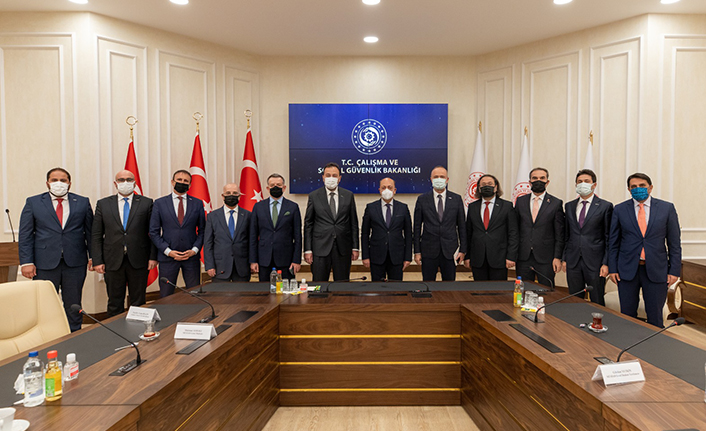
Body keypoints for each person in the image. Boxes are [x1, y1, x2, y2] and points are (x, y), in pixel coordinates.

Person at [18, 167, 93, 332]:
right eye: (54, 180)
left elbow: (90, 233)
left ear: (69, 183)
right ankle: (48, 337)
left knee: (73, 303)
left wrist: (93, 257)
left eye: (63, 180)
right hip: (44, 263)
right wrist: (26, 262)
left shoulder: (82, 202)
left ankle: (74, 335)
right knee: (45, 305)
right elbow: (25, 235)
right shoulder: (33, 202)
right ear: (47, 183)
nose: (59, 183)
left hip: (75, 262)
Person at [608, 173, 681, 328]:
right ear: (629, 189)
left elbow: (674, 243)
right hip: (627, 271)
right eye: (633, 186)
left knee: (655, 317)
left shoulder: (666, 208)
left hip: (656, 270)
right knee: (627, 316)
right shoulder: (620, 209)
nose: (638, 189)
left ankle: (655, 344)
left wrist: (674, 271)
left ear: (650, 187)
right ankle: (628, 343)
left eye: (642, 186)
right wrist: (612, 268)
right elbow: (613, 243)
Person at [92, 170, 158, 316]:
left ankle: (138, 328)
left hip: (139, 259)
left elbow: (153, 233)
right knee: (114, 301)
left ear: (134, 183)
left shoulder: (147, 203)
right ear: (115, 184)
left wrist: (153, 257)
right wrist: (97, 260)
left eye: (129, 179)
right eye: (121, 180)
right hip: (112, 259)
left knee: (138, 301)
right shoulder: (103, 204)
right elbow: (96, 235)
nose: (125, 182)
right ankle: (115, 329)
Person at [149, 170, 206, 296]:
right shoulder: (159, 203)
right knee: (166, 296)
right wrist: (168, 251)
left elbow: (203, 230)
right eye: (179, 180)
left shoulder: (197, 203)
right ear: (172, 182)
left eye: (186, 181)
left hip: (191, 258)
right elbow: (153, 232)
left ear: (190, 185)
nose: (182, 182)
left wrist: (194, 250)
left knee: (195, 296)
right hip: (167, 258)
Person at [562, 169, 613, 305]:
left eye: (586, 181)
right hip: (573, 261)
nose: (582, 184)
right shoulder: (569, 206)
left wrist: (606, 263)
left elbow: (608, 237)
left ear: (594, 184)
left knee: (597, 299)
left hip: (595, 262)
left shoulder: (605, 206)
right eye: (579, 182)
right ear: (576, 185)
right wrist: (564, 258)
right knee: (574, 300)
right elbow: (567, 235)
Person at [303, 162, 359, 282]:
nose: (331, 178)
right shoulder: (314, 196)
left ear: (339, 178)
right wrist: (307, 249)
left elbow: (353, 223)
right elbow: (308, 224)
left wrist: (355, 247)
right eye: (328, 175)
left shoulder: (348, 195)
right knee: (319, 284)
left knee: (342, 284)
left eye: (334, 175)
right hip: (320, 248)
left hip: (343, 248)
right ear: (323, 177)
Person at [413, 166, 466, 281]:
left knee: (449, 284)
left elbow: (462, 227)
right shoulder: (422, 199)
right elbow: (417, 227)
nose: (439, 179)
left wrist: (462, 250)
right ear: (431, 179)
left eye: (442, 177)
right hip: (428, 250)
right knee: (428, 283)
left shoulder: (456, 199)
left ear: (447, 180)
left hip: (450, 251)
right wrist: (417, 251)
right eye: (436, 177)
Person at [515, 167, 565, 287]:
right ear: (529, 182)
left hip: (546, 257)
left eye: (542, 178)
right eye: (535, 178)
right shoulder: (520, 201)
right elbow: (515, 229)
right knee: (523, 290)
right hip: (523, 256)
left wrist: (557, 257)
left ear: (547, 182)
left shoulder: (556, 203)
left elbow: (559, 233)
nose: (538, 180)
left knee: (547, 291)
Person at [463, 174, 518, 281]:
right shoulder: (472, 207)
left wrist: (511, 256)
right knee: (479, 289)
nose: (486, 186)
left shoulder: (507, 206)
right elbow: (469, 233)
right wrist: (467, 256)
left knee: (498, 289)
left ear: (496, 187)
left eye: (489, 184)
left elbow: (513, 233)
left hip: (499, 258)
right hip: (478, 258)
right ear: (479, 188)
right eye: (483, 185)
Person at [249, 174, 302, 282]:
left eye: (278, 185)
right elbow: (253, 235)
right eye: (272, 185)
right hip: (264, 259)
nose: (275, 187)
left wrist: (296, 260)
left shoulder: (293, 207)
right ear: (267, 188)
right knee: (264, 290)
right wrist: (253, 260)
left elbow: (298, 236)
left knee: (286, 290)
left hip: (286, 259)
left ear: (284, 187)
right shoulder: (258, 207)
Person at [361, 178, 412, 281]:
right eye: (383, 187)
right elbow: (365, 234)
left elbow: (408, 234)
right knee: (377, 287)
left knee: (396, 287)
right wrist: (365, 256)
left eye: (390, 187)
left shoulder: (403, 208)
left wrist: (408, 257)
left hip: (397, 256)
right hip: (376, 256)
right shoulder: (370, 208)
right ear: (379, 190)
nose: (386, 190)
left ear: (394, 190)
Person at [204, 184, 251, 282]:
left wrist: (253, 262)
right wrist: (209, 265)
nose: (231, 195)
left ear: (239, 196)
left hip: (242, 267)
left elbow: (252, 241)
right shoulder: (212, 216)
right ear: (223, 196)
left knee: (242, 293)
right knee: (220, 293)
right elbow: (208, 243)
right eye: (228, 193)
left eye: (235, 193)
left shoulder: (248, 215)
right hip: (219, 267)